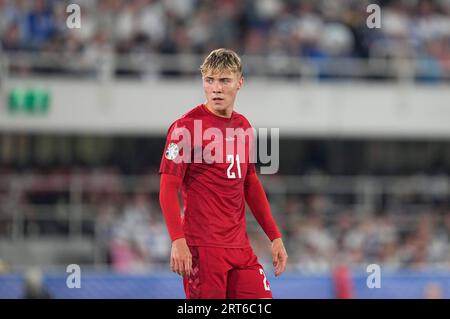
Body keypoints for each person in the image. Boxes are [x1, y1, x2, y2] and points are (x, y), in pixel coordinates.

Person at [159, 48, 288, 299]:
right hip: (203, 247)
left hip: (240, 247)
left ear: (239, 83)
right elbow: (167, 189)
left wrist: (275, 236)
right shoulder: (185, 128)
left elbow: (249, 183)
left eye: (224, 80)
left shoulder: (243, 126)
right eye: (209, 80)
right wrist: (177, 239)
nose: (216, 88)